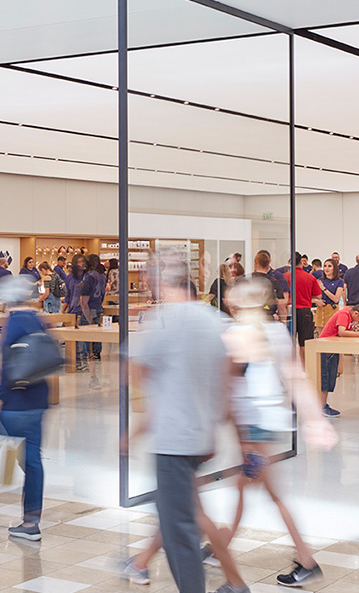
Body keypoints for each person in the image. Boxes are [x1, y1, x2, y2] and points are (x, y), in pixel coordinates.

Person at [126, 254, 246, 593]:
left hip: (172, 441)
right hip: (200, 436)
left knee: (179, 531)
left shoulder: (161, 320)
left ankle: (218, 584)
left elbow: (135, 372)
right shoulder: (214, 320)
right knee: (185, 515)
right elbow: (231, 373)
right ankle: (235, 582)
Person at [220, 280, 338, 587]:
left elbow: (228, 388)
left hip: (255, 427)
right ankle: (218, 548)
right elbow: (295, 379)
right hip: (267, 424)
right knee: (249, 490)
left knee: (261, 492)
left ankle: (303, 559)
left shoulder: (239, 335)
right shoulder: (276, 332)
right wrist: (315, 419)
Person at [0, 276, 49, 541]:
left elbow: (8, 367)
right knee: (33, 462)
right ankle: (31, 521)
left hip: (15, 403)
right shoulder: (37, 320)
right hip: (37, 401)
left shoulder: (12, 324)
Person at [315, 301, 359, 418]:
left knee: (330, 376)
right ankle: (321, 406)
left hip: (333, 347)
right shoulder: (344, 314)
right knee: (325, 376)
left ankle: (322, 404)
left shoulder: (350, 315)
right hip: (325, 347)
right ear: (356, 313)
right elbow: (342, 332)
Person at [283, 253, 323, 371]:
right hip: (304, 312)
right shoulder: (310, 277)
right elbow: (318, 295)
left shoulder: (285, 276)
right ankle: (305, 370)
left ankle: (290, 370)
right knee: (304, 344)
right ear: (301, 262)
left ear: (289, 262)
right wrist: (309, 298)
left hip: (289, 311)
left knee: (289, 343)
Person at [78, 254, 107, 388]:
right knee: (97, 347)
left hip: (90, 312)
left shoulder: (88, 277)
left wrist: (89, 320)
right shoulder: (102, 276)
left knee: (89, 346)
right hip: (99, 310)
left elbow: (84, 302)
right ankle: (99, 375)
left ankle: (93, 376)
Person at [249, 251, 289, 321]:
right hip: (266, 317)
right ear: (269, 262)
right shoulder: (275, 280)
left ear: (255, 263)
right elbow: (282, 303)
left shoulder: (277, 277)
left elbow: (282, 303)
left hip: (253, 317)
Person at [64, 255, 86, 321]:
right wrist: (64, 308)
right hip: (73, 310)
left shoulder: (88, 277)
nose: (82, 264)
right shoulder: (69, 277)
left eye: (83, 261)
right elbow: (68, 294)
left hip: (85, 311)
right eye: (80, 262)